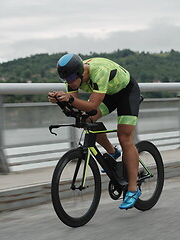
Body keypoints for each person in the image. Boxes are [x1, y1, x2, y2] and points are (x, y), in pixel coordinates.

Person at [48, 53, 141, 209]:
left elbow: (92, 106)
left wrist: (70, 99)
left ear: (80, 73)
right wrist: (60, 101)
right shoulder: (70, 79)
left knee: (124, 137)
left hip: (126, 92)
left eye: (71, 80)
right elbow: (75, 109)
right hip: (108, 95)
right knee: (86, 121)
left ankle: (133, 189)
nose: (69, 84)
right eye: (65, 81)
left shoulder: (99, 71)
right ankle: (112, 153)